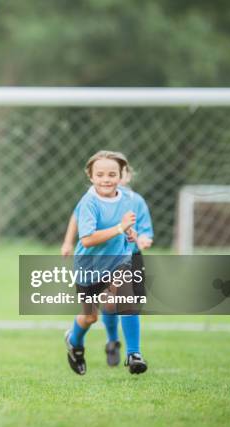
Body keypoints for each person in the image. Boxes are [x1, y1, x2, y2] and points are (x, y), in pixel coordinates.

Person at [61, 154, 152, 369]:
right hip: (89, 267)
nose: (106, 179)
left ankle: (134, 355)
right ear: (90, 176)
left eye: (112, 174)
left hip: (119, 262)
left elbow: (127, 227)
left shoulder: (129, 200)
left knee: (125, 301)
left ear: (122, 176)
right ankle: (74, 341)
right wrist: (120, 228)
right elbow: (88, 239)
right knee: (90, 317)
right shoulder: (88, 202)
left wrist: (130, 233)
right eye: (100, 174)